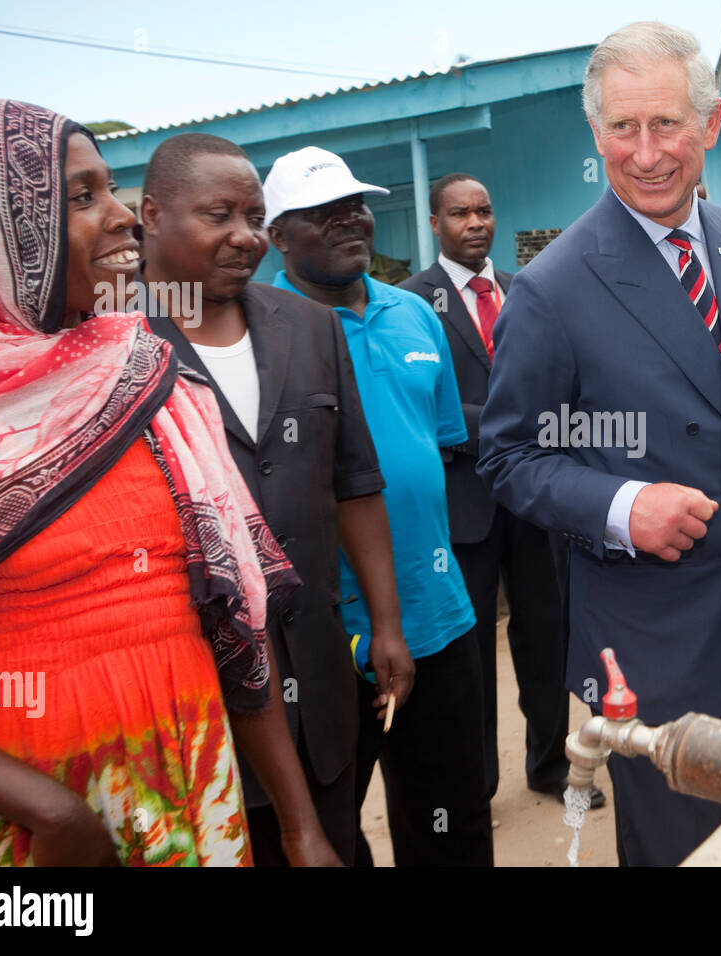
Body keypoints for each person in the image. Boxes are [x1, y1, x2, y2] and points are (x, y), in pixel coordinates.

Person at [477, 21, 721, 867]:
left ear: (710, 125)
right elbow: (508, 455)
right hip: (663, 648)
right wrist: (620, 505)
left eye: (667, 124)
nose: (646, 153)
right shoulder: (554, 286)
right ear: (596, 133)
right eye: (621, 128)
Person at [0, 99, 337, 866]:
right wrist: (54, 815)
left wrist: (300, 827)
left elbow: (235, 629)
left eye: (111, 188)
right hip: (26, 812)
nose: (124, 217)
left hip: (193, 783)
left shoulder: (147, 381)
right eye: (81, 197)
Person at [139, 134, 411, 867]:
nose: (244, 236)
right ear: (151, 214)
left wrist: (385, 622)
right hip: (200, 702)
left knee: (337, 842)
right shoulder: (112, 343)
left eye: (255, 217)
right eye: (217, 214)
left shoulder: (311, 328)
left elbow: (354, 481)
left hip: (321, 677)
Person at [263, 147, 493, 867]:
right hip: (328, 640)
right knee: (327, 833)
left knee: (451, 820)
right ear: (277, 236)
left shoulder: (413, 316)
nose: (346, 222)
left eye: (352, 205)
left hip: (439, 614)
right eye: (318, 214)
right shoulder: (262, 331)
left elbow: (441, 446)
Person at [399, 173, 601, 809]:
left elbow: (557, 386)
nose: (476, 222)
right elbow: (425, 408)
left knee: (546, 640)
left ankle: (549, 767)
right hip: (463, 511)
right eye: (460, 213)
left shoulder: (525, 290)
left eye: (484, 210)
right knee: (471, 657)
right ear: (436, 224)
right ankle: (474, 788)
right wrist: (514, 426)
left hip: (536, 503)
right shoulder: (411, 303)